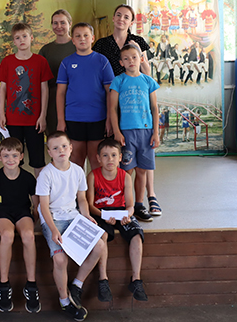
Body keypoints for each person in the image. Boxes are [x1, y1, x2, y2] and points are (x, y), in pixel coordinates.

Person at [37, 132, 106, 322]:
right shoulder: (46, 174)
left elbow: (81, 199)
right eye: (55, 148)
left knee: (99, 246)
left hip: (73, 217)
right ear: (49, 152)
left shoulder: (77, 170)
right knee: (60, 259)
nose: (61, 150)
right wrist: (53, 230)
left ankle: (76, 285)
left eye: (64, 146)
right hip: (53, 219)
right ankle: (64, 301)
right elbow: (44, 206)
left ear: (71, 148)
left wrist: (86, 216)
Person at [87, 138, 147, 303]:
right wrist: (104, 216)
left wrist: (128, 215)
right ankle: (103, 279)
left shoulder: (125, 177)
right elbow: (90, 206)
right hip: (101, 213)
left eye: (114, 155)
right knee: (102, 236)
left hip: (121, 212)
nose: (110, 159)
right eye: (105, 155)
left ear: (120, 157)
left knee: (136, 235)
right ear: (98, 158)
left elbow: (130, 205)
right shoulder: (92, 176)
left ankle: (136, 280)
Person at [0, 137, 39, 313]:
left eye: (15, 156)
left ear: (21, 157)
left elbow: (36, 205)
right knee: (7, 235)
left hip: (22, 212)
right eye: (6, 156)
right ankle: (4, 284)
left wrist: (33, 220)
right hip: (3, 213)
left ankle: (31, 284)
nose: (10, 160)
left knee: (28, 236)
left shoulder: (28, 178)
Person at [109, 43, 160, 221]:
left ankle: (139, 204)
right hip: (127, 133)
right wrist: (117, 132)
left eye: (134, 57)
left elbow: (155, 108)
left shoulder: (148, 81)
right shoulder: (118, 81)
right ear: (121, 62)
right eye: (126, 58)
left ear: (141, 59)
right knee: (126, 170)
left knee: (142, 170)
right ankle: (123, 203)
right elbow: (112, 108)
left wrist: (156, 133)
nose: (131, 61)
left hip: (146, 132)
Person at [0, 23, 53, 176]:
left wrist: (42, 115)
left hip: (34, 120)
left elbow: (44, 89)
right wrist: (2, 114)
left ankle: (41, 191)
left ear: (31, 38)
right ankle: (16, 190)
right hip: (13, 119)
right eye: (17, 38)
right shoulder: (7, 62)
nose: (21, 40)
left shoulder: (40, 61)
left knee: (38, 160)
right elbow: (3, 89)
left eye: (24, 36)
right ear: (13, 41)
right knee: (13, 160)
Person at [56, 23, 114, 171]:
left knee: (96, 160)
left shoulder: (102, 61)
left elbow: (110, 93)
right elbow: (60, 93)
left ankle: (94, 187)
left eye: (86, 35)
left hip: (98, 118)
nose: (82, 39)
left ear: (92, 38)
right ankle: (78, 188)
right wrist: (61, 120)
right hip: (74, 118)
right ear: (73, 40)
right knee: (76, 160)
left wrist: (109, 119)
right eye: (78, 36)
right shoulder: (66, 63)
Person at [38, 10, 76, 134]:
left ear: (70, 24)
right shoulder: (45, 50)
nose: (59, 26)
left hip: (76, 100)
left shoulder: (79, 46)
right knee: (56, 139)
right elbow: (41, 82)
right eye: (55, 23)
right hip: (53, 102)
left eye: (62, 23)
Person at [93, 4, 151, 77]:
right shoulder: (101, 43)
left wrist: (139, 50)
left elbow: (147, 73)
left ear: (131, 23)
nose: (121, 19)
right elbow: (94, 70)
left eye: (126, 17)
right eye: (118, 15)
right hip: (110, 84)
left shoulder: (138, 41)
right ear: (113, 18)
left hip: (134, 83)